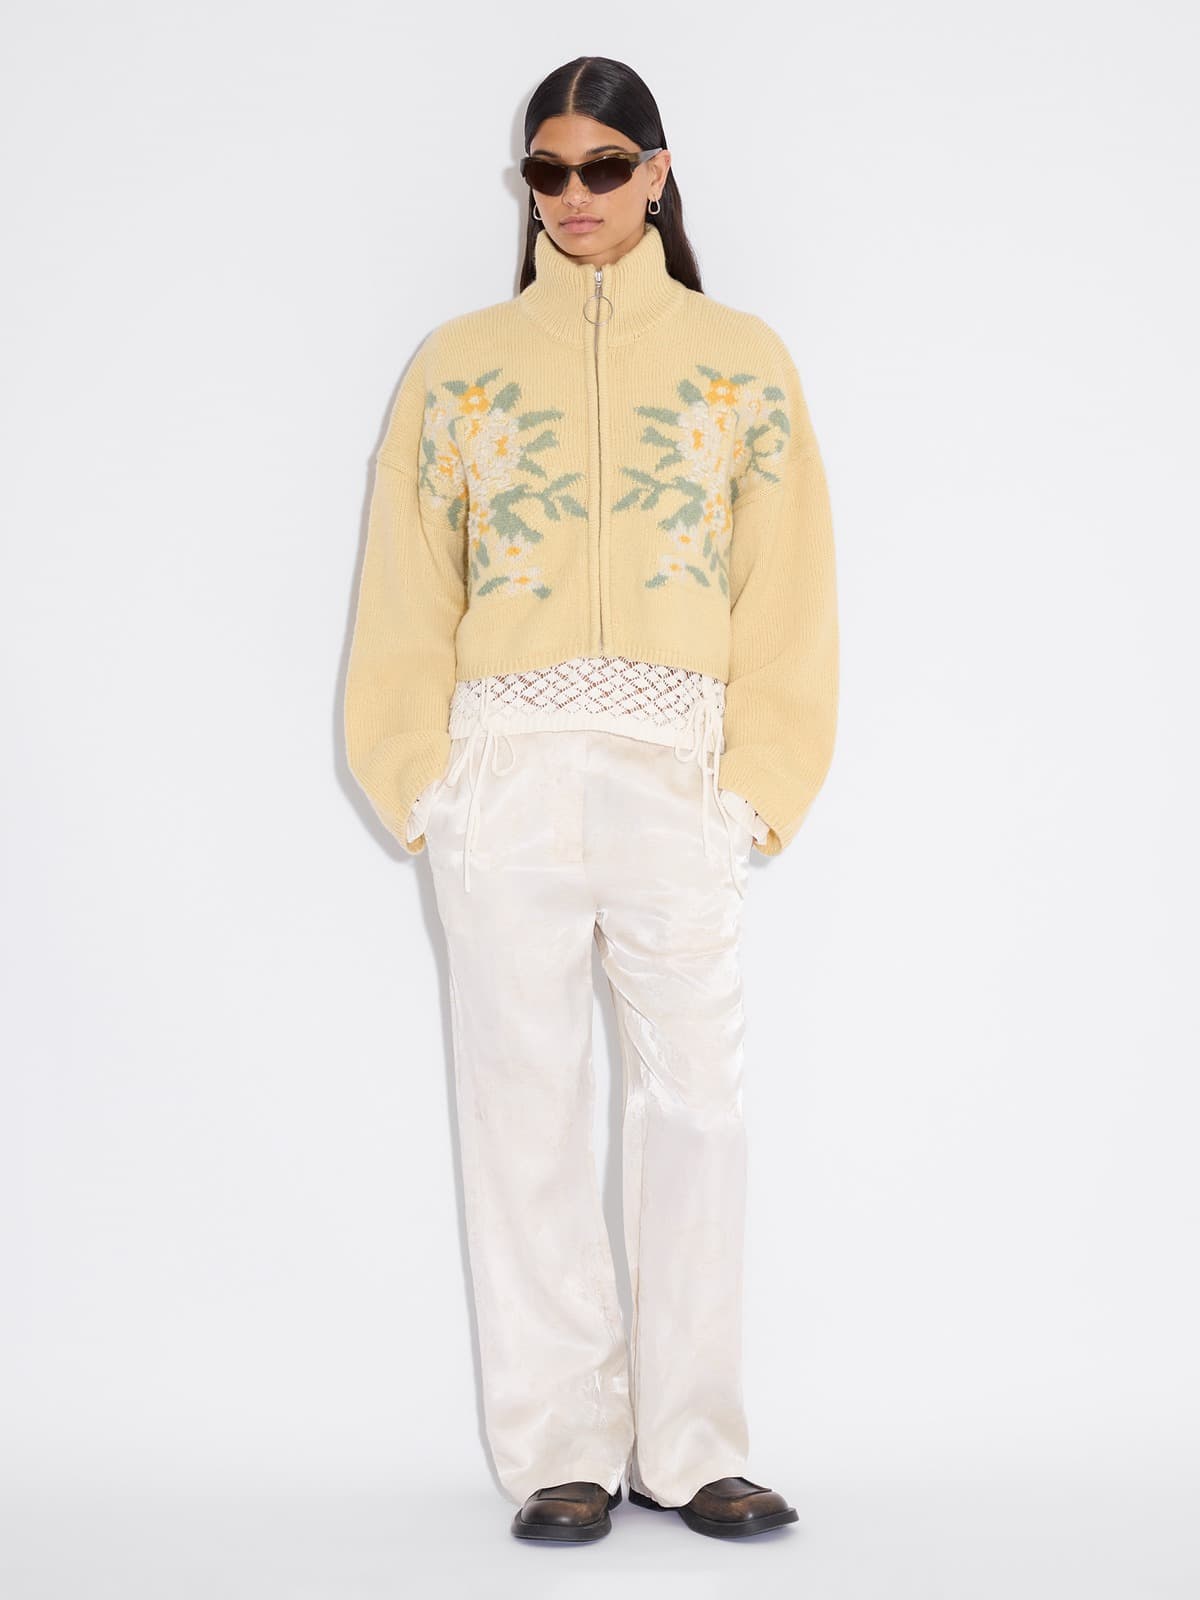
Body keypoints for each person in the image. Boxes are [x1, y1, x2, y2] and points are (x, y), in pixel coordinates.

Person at [344, 55, 839, 1543]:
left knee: (698, 1107)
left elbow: (790, 588)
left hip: (678, 774)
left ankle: (691, 1444)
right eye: (547, 172)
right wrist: (420, 782)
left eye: (603, 168)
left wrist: (755, 789)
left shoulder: (742, 360)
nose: (573, 197)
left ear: (657, 175)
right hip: (503, 776)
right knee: (523, 1110)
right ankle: (561, 1443)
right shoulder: (458, 365)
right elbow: (406, 587)